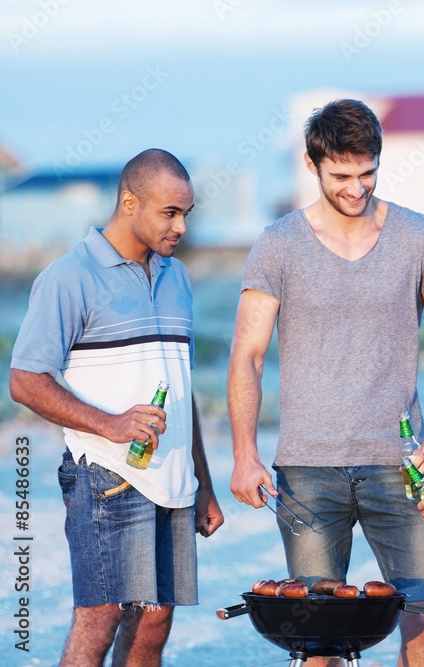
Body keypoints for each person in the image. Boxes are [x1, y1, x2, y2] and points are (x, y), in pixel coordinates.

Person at [227, 99, 424, 667]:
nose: (357, 187)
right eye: (342, 176)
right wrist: (244, 454)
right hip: (308, 468)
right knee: (318, 638)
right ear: (314, 167)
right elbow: (247, 355)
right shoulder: (278, 244)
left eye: (367, 172)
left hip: (403, 467)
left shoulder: (418, 238)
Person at [9, 148, 224, 667]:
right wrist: (110, 424)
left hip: (173, 478)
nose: (181, 228)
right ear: (130, 202)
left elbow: (181, 385)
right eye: (169, 213)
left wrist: (204, 484)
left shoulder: (177, 278)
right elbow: (24, 379)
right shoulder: (68, 276)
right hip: (105, 476)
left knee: (155, 619)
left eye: (186, 214)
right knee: (100, 614)